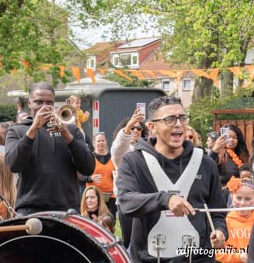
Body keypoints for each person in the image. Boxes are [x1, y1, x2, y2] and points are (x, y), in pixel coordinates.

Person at [118, 96, 227, 262]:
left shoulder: (206, 163)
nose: (178, 124)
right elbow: (126, 202)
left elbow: (217, 212)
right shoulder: (133, 161)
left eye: (182, 118)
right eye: (169, 119)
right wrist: (164, 199)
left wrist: (220, 231)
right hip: (149, 258)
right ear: (152, 127)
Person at [5, 82, 95, 215]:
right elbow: (13, 165)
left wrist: (68, 137)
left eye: (49, 103)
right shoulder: (17, 131)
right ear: (29, 103)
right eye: (38, 102)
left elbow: (88, 168)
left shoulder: (71, 130)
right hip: (30, 208)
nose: (44, 107)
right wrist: (33, 129)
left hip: (67, 208)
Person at [110, 108, 148, 249]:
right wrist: (128, 127)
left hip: (147, 199)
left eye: (139, 128)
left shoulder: (148, 149)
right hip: (128, 200)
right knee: (130, 241)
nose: (136, 130)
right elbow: (118, 149)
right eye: (133, 128)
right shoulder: (123, 151)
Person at [216, 176, 254, 263]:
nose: (242, 203)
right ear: (232, 197)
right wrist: (239, 257)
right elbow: (217, 253)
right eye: (238, 198)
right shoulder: (225, 222)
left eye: (248, 199)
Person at [209, 124, 250, 202]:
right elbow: (205, 166)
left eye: (235, 137)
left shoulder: (243, 156)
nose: (231, 140)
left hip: (241, 198)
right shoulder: (218, 155)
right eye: (229, 137)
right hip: (222, 197)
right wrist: (214, 150)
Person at [85, 132, 117, 221]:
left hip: (110, 195)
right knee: (94, 222)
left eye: (102, 141)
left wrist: (115, 175)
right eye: (98, 141)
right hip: (94, 195)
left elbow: (118, 173)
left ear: (106, 142)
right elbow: (80, 176)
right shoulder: (90, 157)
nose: (101, 143)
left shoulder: (113, 157)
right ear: (94, 143)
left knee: (109, 221)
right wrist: (90, 178)